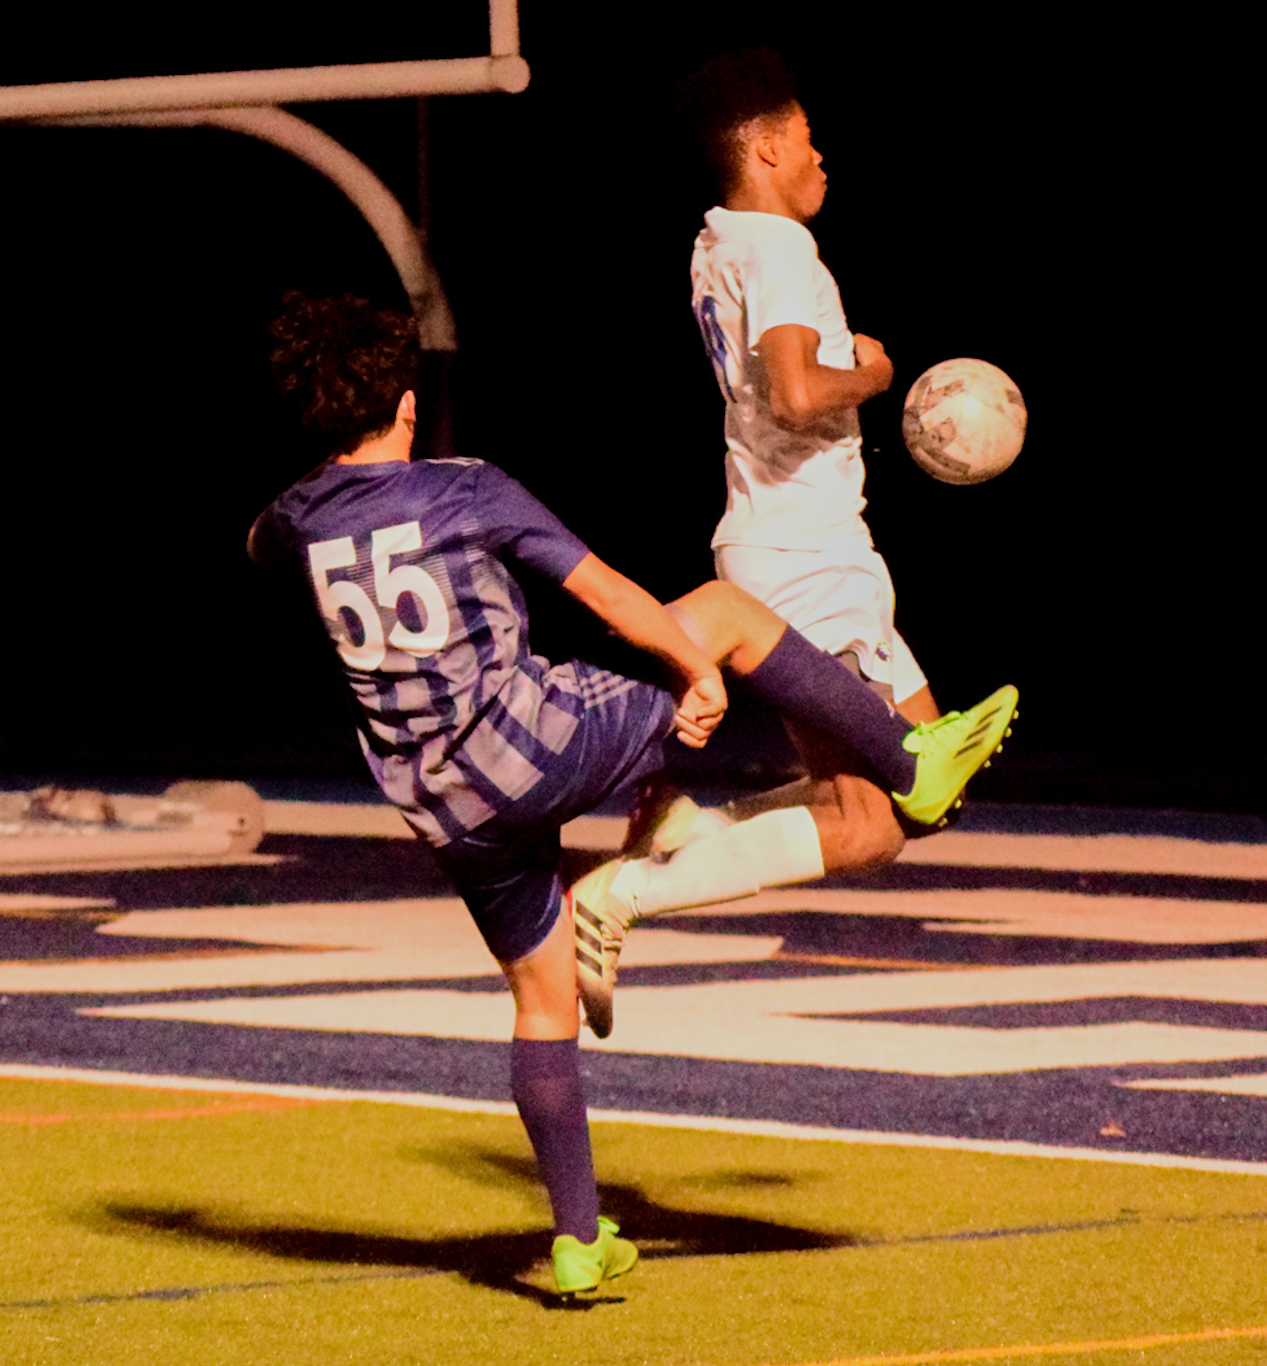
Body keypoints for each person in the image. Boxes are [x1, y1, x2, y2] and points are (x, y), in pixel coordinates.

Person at [247, 293, 1014, 1295]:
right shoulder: (464, 489)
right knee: (726, 617)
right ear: (402, 401)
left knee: (542, 990)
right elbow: (605, 592)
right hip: (533, 743)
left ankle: (575, 1240)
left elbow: (263, 541)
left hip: (443, 803)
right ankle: (913, 762)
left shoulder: (292, 522)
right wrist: (696, 672)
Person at [605, 49, 1019, 899]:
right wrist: (873, 374)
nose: (819, 157)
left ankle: (687, 833)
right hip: (804, 558)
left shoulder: (716, 242)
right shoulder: (785, 249)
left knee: (930, 797)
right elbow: (795, 397)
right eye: (805, 140)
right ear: (763, 150)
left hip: (817, 545)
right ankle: (623, 897)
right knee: (866, 824)